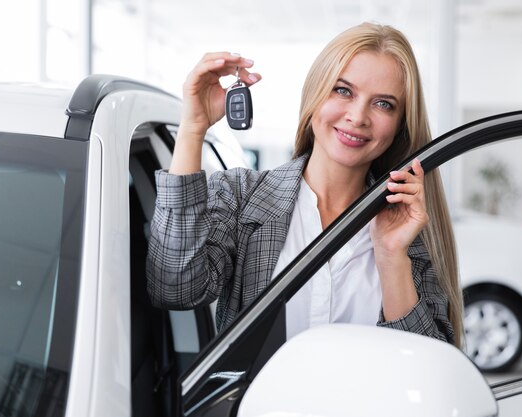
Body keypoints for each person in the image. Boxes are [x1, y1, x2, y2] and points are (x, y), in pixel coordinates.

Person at [146, 22, 463, 347]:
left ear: (400, 125)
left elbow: (429, 367)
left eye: (383, 104)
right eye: (343, 90)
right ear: (314, 95)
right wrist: (193, 127)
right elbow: (175, 287)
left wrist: (391, 256)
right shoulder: (239, 196)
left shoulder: (409, 228)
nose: (358, 116)